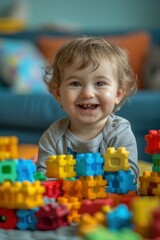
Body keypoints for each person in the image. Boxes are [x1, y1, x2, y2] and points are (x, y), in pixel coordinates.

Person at [36, 37, 139, 179]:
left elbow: (130, 176)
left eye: (100, 83)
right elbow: (43, 176)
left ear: (118, 94)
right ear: (59, 94)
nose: (87, 93)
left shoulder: (119, 132)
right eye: (75, 84)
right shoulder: (53, 136)